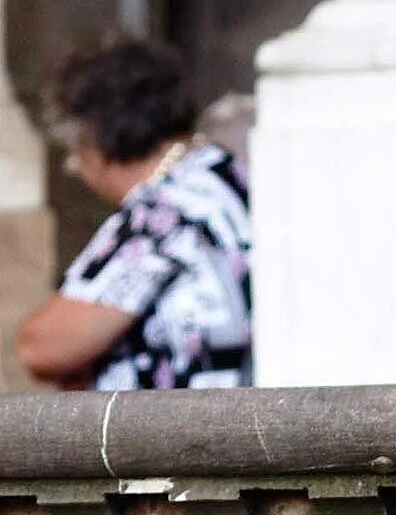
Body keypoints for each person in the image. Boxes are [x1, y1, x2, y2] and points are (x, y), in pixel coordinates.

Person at [13, 37, 251, 392]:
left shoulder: (166, 210)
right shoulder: (224, 174)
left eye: (74, 153)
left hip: (179, 431)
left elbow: (44, 346)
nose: (76, 168)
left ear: (93, 144)